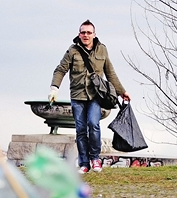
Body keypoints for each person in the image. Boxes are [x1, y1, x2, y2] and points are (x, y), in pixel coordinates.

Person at [48, 19, 131, 174]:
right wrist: (54, 88)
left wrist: (122, 91)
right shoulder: (72, 51)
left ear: (94, 34)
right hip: (77, 96)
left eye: (88, 32)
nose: (85, 35)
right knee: (80, 130)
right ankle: (84, 163)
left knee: (93, 124)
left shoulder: (102, 50)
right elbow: (60, 70)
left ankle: (95, 158)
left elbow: (110, 72)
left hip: (95, 96)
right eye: (83, 32)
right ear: (79, 34)